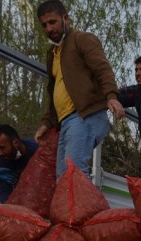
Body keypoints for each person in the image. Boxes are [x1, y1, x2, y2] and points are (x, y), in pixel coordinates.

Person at [33, 0, 124, 178]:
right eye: (44, 25)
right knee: (63, 178)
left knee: (73, 173)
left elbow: (103, 69)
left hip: (84, 116)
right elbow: (55, 91)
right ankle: (83, 197)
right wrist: (46, 123)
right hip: (65, 122)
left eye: (53, 22)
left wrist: (112, 96)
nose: (49, 29)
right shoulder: (52, 53)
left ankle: (84, 198)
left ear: (66, 18)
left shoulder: (82, 39)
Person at [0, 124, 39, 203]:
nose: (0, 153)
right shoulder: (2, 160)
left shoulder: (37, 150)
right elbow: (5, 191)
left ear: (15, 142)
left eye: (2, 148)